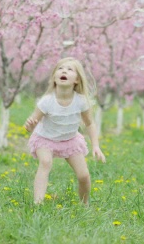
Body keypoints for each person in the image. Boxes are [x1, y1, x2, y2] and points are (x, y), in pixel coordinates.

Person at [25, 57, 106, 205]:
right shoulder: (47, 101)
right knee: (45, 162)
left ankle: (84, 204)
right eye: (61, 68)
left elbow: (90, 124)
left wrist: (96, 146)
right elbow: (32, 123)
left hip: (70, 140)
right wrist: (30, 126)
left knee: (84, 176)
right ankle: (38, 203)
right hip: (45, 139)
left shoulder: (81, 101)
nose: (64, 71)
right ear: (55, 77)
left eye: (70, 69)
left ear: (77, 80)